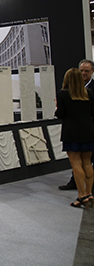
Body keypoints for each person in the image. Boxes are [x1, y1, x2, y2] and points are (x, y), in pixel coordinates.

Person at [54, 68, 94, 208]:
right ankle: (89, 193)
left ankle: (81, 196)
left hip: (71, 133)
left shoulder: (62, 94)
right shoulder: (89, 93)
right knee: (87, 163)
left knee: (76, 164)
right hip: (88, 131)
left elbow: (60, 114)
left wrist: (57, 107)